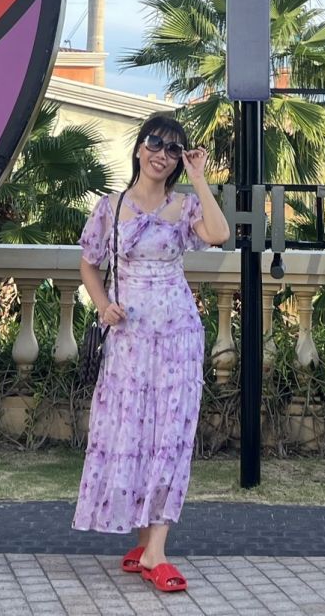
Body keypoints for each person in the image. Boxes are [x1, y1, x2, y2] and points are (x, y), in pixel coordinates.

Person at [74, 114, 229, 595]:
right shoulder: (110, 206)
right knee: (133, 433)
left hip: (177, 336)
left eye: (173, 148)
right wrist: (103, 306)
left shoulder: (185, 206)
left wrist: (199, 178)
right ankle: (143, 543)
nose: (162, 153)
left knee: (170, 437)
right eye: (155, 143)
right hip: (129, 339)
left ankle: (156, 551)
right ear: (139, 147)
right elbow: (89, 264)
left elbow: (219, 234)